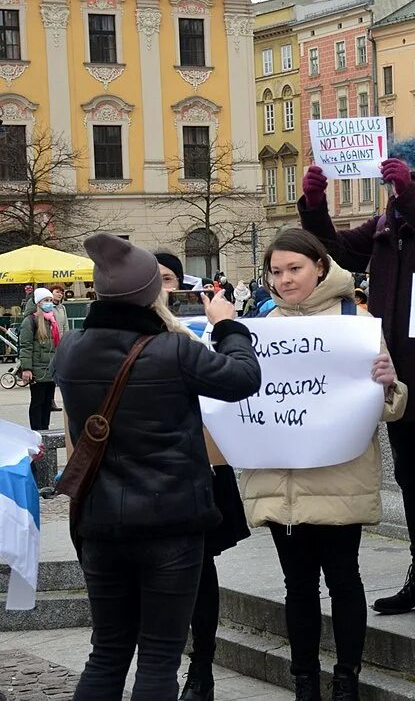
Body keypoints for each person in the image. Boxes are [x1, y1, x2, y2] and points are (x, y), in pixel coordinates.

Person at [55, 234, 260, 701]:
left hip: (100, 523)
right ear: (151, 292)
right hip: (171, 524)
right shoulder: (172, 351)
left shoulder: (71, 348)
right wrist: (229, 327)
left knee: (106, 652)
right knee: (159, 656)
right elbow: (243, 378)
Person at [298, 137, 415, 622]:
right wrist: (315, 208)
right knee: (410, 478)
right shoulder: (388, 223)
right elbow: (337, 253)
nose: (398, 191)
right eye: (395, 183)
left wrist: (411, 199)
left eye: (412, 180)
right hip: (395, 377)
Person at [241, 229, 407, 701]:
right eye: (276, 271)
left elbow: (389, 406)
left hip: (339, 475)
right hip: (279, 478)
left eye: (295, 268)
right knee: (297, 585)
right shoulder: (261, 323)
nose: (285, 279)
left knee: (343, 577)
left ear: (320, 265)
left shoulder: (355, 320)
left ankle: (346, 678)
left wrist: (390, 383)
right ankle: (305, 681)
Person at [153, 252, 253, 701]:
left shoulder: (203, 325)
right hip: (150, 470)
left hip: (204, 462)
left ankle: (202, 667)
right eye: (153, 279)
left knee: (200, 570)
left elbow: (237, 378)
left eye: (169, 279)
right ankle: (164, 666)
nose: (162, 288)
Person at [19, 288, 61, 430]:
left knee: (47, 402)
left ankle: (45, 430)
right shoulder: (30, 321)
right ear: (38, 303)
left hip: (50, 369)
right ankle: (37, 431)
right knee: (37, 402)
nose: (49, 303)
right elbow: (25, 346)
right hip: (37, 369)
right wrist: (27, 368)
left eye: (50, 300)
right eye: (46, 301)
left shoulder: (51, 320)